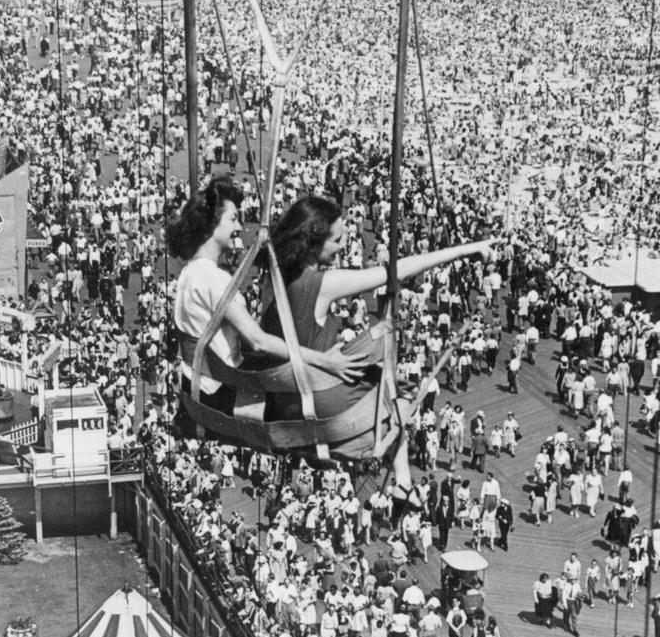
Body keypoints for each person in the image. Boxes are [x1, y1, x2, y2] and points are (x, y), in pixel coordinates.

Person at [260, 194, 493, 483]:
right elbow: (395, 272)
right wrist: (463, 251)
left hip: (286, 399)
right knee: (397, 382)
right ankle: (404, 481)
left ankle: (403, 480)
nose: (343, 245)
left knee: (384, 368)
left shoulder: (274, 275)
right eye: (336, 240)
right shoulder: (319, 284)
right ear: (312, 242)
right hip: (318, 400)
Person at [169, 177, 366, 418]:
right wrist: (324, 361)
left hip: (206, 384)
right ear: (211, 226)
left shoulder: (190, 273)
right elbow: (258, 341)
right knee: (322, 391)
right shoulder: (211, 279)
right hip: (221, 392)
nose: (239, 227)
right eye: (232, 219)